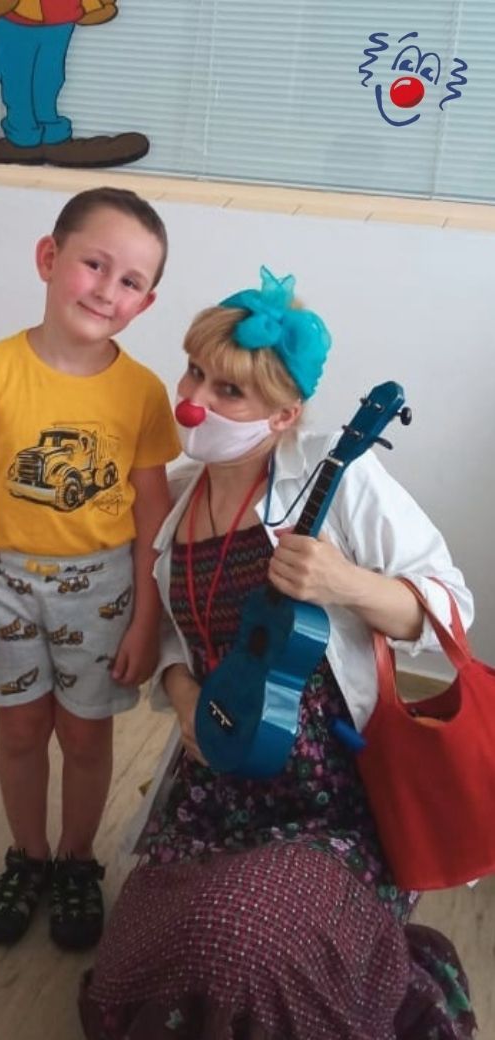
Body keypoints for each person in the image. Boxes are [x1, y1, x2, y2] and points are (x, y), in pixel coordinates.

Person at [79, 266, 477, 1038]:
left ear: (284, 415)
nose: (195, 398)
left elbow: (452, 607)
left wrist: (348, 582)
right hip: (217, 785)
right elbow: (173, 632)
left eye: (230, 391)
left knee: (244, 938)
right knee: (131, 968)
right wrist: (184, 695)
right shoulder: (178, 499)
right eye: (195, 372)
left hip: (337, 799)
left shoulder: (339, 473)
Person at [0, 186, 180, 952]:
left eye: (130, 281)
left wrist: (145, 618)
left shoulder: (142, 392)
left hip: (103, 592)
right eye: (94, 264)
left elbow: (154, 515)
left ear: (145, 303)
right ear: (49, 257)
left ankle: (76, 860)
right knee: (19, 729)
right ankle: (28, 857)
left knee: (86, 736)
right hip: (2, 584)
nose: (107, 290)